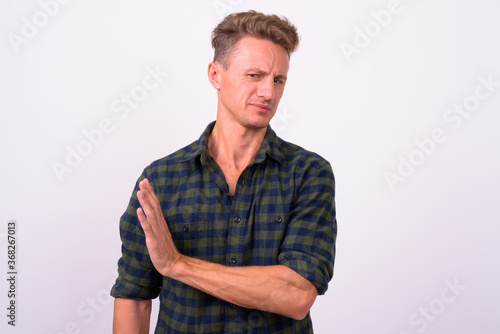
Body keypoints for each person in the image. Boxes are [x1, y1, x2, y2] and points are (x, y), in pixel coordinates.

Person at [111, 10, 337, 334]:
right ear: (216, 75)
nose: (268, 93)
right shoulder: (161, 180)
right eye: (254, 75)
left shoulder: (308, 175)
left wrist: (177, 264)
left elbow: (296, 294)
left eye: (278, 80)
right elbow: (134, 297)